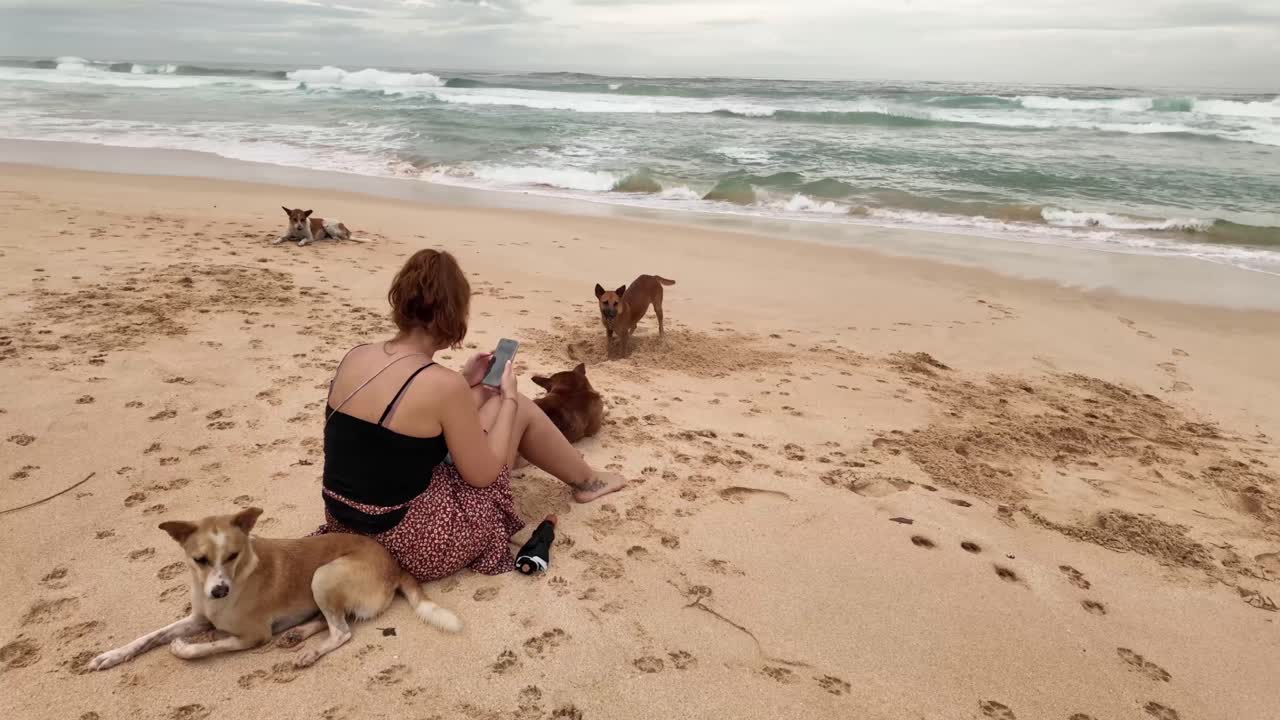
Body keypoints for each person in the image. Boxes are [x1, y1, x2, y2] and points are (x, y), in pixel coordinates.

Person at [312, 249, 626, 581]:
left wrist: (466, 383)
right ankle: (587, 480)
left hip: (343, 522)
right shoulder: (442, 385)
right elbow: (484, 477)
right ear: (454, 314)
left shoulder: (356, 355)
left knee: (486, 397)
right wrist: (508, 401)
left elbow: (400, 424)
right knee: (513, 403)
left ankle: (579, 473)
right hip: (404, 542)